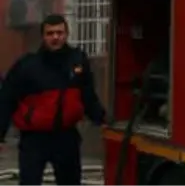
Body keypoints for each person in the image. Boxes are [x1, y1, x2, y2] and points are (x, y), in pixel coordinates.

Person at [0, 15, 106, 186]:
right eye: (50, 33)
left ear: (66, 34)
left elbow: (88, 94)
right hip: (34, 140)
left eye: (59, 32)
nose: (55, 37)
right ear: (43, 36)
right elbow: (6, 99)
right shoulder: (27, 66)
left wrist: (100, 118)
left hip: (66, 137)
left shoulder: (77, 60)